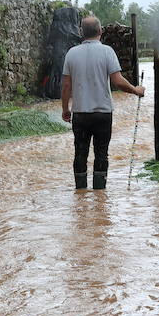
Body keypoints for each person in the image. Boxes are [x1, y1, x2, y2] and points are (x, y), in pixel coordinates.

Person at [60, 15, 145, 190]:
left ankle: (80, 194)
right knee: (101, 154)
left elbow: (66, 86)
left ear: (80, 32)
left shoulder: (71, 53)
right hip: (103, 114)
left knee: (80, 153)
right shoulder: (107, 52)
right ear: (100, 31)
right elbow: (118, 82)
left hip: (81, 114)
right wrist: (136, 90)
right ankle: (100, 195)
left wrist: (65, 109)